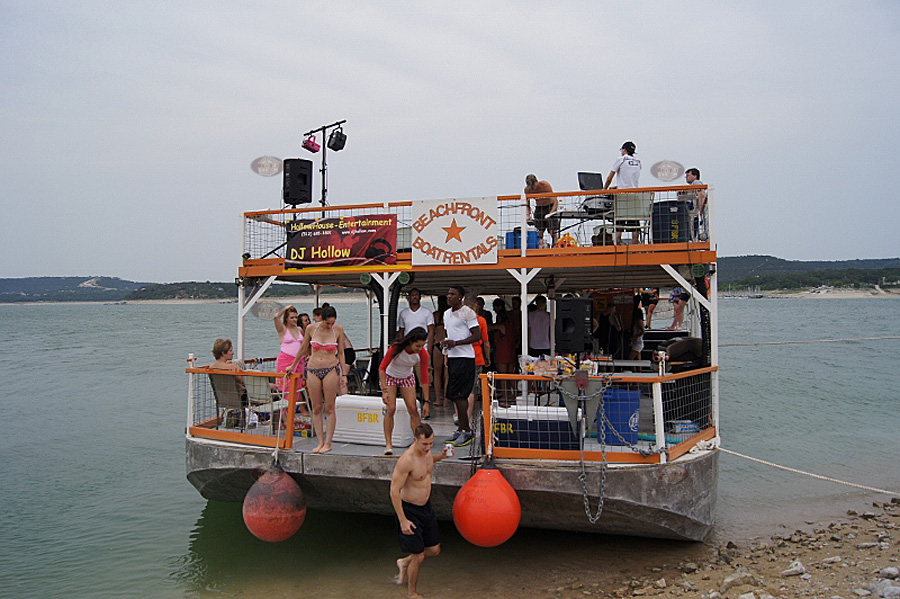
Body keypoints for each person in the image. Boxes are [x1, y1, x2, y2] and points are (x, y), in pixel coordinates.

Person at [390, 423, 450, 599]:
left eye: (431, 443)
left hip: (426, 507)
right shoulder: (407, 460)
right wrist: (403, 520)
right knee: (418, 556)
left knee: (434, 550)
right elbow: (394, 491)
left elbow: (427, 465)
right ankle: (412, 593)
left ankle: (403, 562)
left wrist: (441, 456)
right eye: (424, 444)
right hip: (409, 510)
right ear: (415, 440)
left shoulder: (427, 453)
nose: (428, 447)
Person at [286, 305, 348, 454]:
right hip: (313, 369)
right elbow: (303, 348)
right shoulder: (311, 329)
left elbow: (341, 353)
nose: (330, 325)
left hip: (330, 368)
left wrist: (344, 374)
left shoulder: (338, 330)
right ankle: (320, 441)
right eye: (327, 323)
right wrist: (293, 365)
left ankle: (328, 442)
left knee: (329, 407)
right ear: (321, 319)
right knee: (316, 407)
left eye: (332, 323)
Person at [439, 285, 481, 447]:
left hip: (465, 357)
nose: (449, 296)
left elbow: (476, 336)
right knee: (454, 395)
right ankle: (461, 429)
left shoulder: (467, 312)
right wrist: (446, 345)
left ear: (460, 297)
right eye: (448, 293)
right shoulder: (446, 314)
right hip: (453, 357)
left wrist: (456, 343)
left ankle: (467, 431)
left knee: (460, 395)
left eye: (452, 294)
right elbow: (450, 334)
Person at [379, 328, 429, 455]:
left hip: (407, 377)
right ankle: (388, 444)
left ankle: (418, 443)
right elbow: (382, 368)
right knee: (391, 408)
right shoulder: (396, 348)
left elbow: (424, 378)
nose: (419, 349)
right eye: (417, 346)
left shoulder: (422, 354)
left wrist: (427, 401)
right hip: (390, 376)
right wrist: (384, 390)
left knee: (413, 409)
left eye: (422, 346)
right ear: (411, 342)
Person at [397, 288, 435, 418]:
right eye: (412, 295)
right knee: (407, 379)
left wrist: (429, 348)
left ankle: (426, 406)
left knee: (424, 379)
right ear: (409, 297)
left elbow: (431, 331)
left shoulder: (426, 312)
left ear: (420, 297)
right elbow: (401, 332)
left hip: (422, 350)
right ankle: (410, 406)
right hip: (408, 351)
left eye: (416, 295)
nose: (414, 297)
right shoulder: (403, 314)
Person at [465, 295, 491, 426]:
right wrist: (488, 357)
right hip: (477, 356)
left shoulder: (459, 321)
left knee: (460, 387)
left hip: (461, 355)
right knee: (472, 390)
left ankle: (459, 415)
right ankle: (467, 416)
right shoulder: (481, 321)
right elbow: (486, 342)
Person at [489, 298, 518, 403]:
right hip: (511, 350)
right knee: (511, 374)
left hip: (502, 351)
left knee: (503, 375)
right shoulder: (512, 325)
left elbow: (489, 327)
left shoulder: (501, 326)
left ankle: (505, 395)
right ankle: (514, 394)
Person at [274, 305, 305, 393]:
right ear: (286, 318)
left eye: (296, 317)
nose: (294, 319)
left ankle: (296, 402)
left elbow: (304, 345)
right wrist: (285, 308)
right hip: (285, 359)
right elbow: (276, 317)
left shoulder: (299, 329)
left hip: (298, 360)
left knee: (297, 386)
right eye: (292, 317)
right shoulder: (282, 329)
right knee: (285, 386)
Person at [524, 174, 559, 245]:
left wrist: (551, 213)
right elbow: (527, 204)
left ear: (536, 181)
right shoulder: (527, 190)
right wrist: (528, 215)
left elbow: (555, 201)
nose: (533, 189)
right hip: (539, 208)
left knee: (553, 232)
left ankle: (555, 246)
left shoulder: (545, 186)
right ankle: (540, 246)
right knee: (539, 232)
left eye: (534, 186)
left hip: (550, 207)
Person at [430, 295, 448, 410]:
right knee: (447, 374)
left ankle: (437, 398)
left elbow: (432, 332)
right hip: (447, 344)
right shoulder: (450, 314)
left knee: (437, 373)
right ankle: (446, 399)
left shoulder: (436, 315)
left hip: (437, 344)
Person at [684, 167, 707, 241]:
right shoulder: (693, 185)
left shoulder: (696, 183)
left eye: (688, 175)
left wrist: (700, 209)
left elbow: (701, 195)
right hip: (694, 213)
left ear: (695, 176)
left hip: (694, 213)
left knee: (692, 231)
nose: (686, 178)